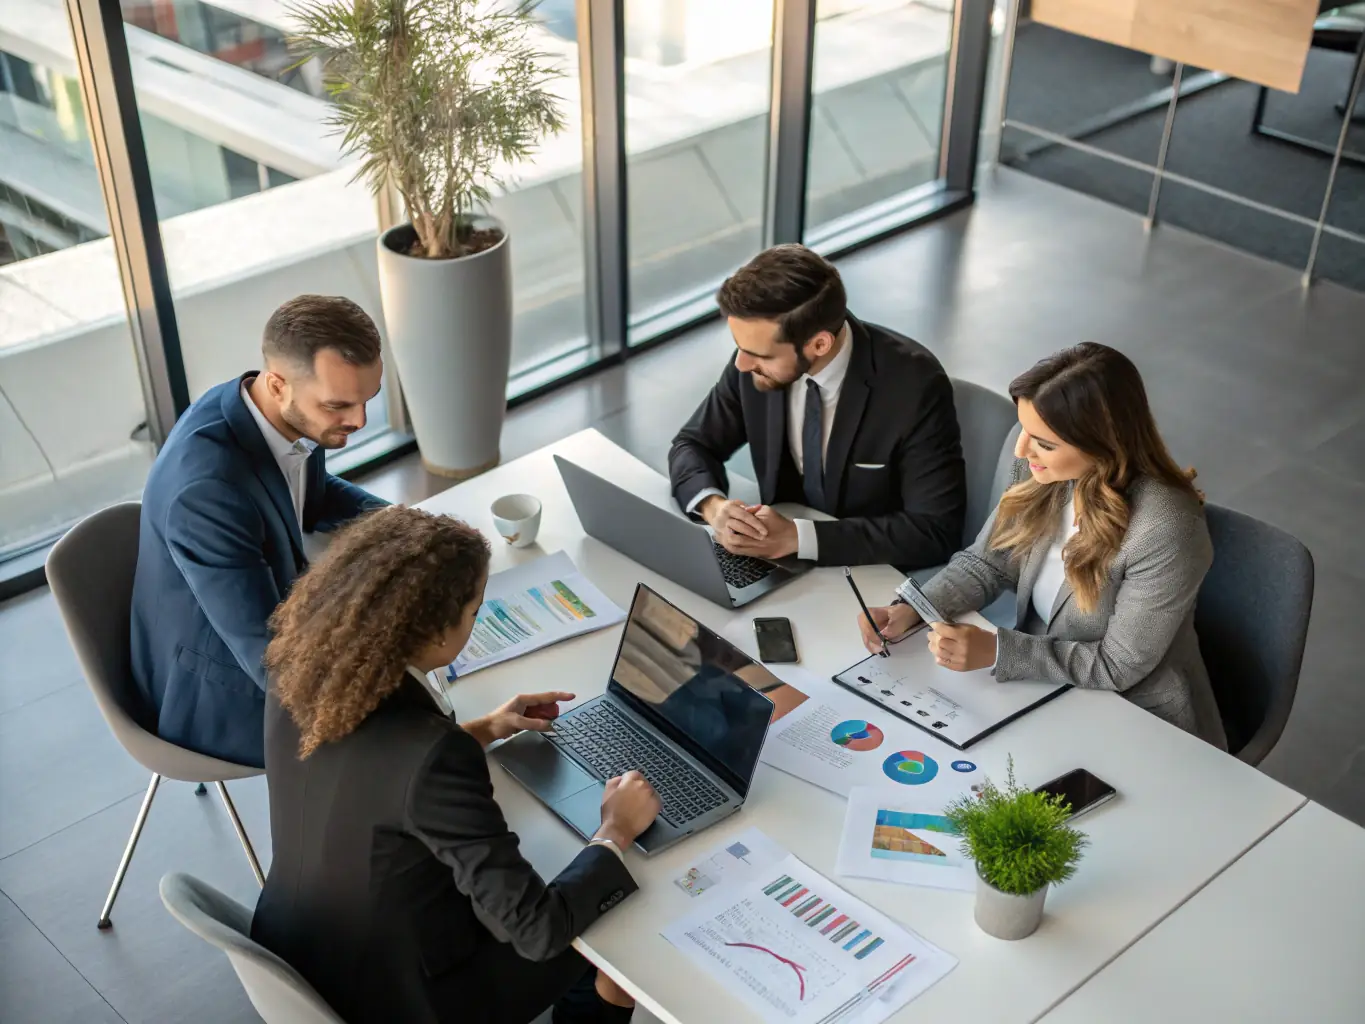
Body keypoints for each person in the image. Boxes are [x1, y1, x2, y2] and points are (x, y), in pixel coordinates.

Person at [251, 506, 661, 1024]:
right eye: (474, 610)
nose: (478, 620)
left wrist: (484, 729)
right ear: (434, 628)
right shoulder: (430, 756)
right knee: (608, 935)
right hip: (406, 1000)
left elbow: (370, 777)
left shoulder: (298, 672)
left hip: (300, 949)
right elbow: (537, 930)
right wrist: (615, 831)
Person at [856, 343, 1227, 748]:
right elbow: (988, 562)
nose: (1020, 450)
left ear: (1103, 444)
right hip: (1043, 687)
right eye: (1024, 430)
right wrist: (915, 608)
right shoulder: (1039, 464)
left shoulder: (1166, 529)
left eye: (1044, 443)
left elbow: (1119, 664)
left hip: (1131, 713)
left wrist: (1000, 651)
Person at [130, 294, 388, 768]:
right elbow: (275, 664)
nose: (359, 421)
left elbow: (311, 492)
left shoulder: (265, 408)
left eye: (368, 399)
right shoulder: (207, 490)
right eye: (340, 405)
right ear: (278, 383)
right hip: (219, 696)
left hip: (260, 627)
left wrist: (407, 528)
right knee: (414, 730)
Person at [668, 244, 966, 569]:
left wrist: (797, 538)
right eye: (740, 347)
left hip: (865, 572)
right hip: (779, 566)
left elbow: (934, 532)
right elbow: (692, 444)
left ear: (819, 344)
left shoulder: (914, 387)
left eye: (760, 354)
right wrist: (714, 508)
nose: (741, 364)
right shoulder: (753, 359)